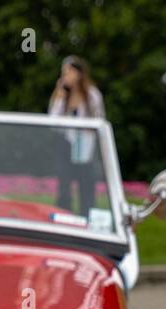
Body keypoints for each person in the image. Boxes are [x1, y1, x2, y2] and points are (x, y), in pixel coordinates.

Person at [48, 55, 106, 214]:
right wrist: (59, 96)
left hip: (86, 149)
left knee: (87, 187)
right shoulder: (63, 97)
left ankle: (86, 217)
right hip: (66, 146)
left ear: (78, 74)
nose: (65, 76)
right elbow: (53, 122)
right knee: (64, 186)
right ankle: (63, 216)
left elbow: (100, 121)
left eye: (68, 72)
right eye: (63, 73)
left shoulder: (92, 95)